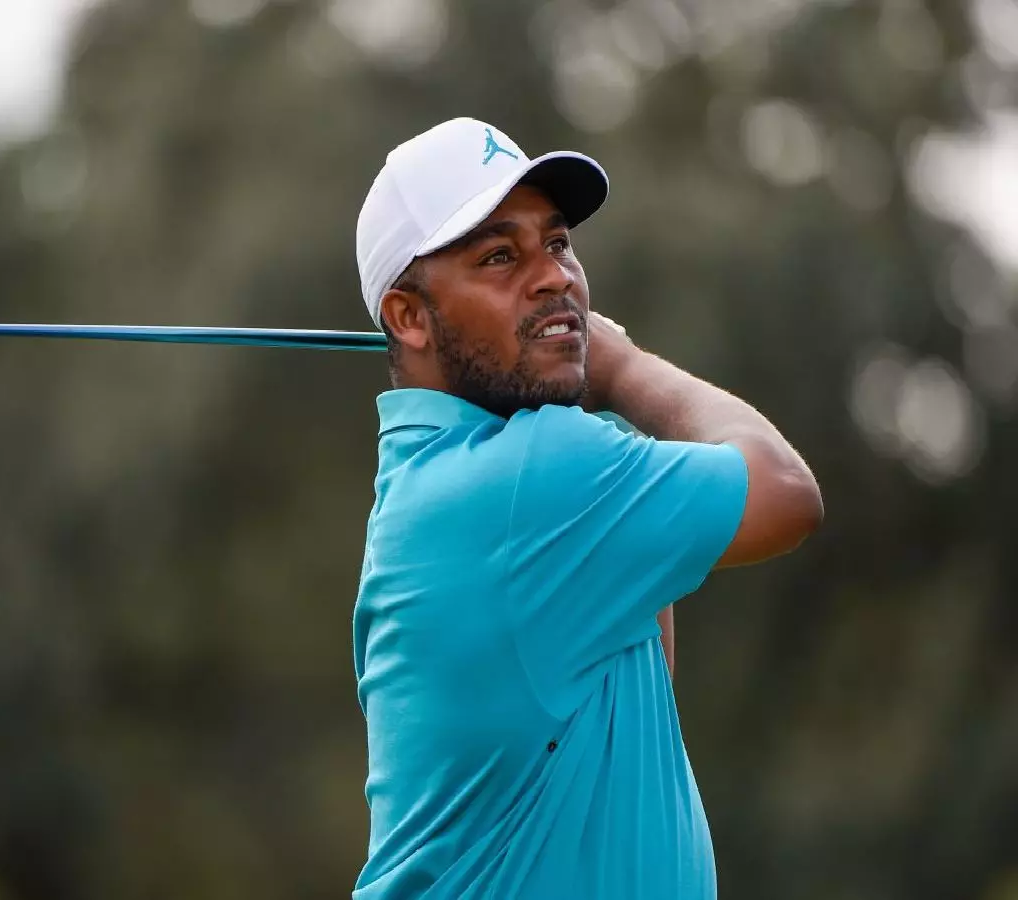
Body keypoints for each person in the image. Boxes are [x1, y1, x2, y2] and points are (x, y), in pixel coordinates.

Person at [351, 117, 823, 899]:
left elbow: (643, 662)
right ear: (408, 318)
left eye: (558, 243)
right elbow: (785, 492)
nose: (554, 278)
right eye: (499, 257)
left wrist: (580, 387)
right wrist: (626, 369)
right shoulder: (531, 479)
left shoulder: (447, 480)